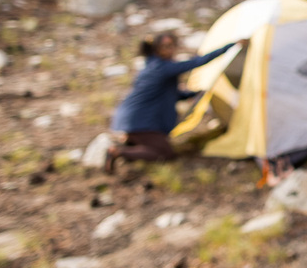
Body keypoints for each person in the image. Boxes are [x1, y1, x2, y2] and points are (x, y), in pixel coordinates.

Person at [104, 32, 245, 174]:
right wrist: (230, 46)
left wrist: (194, 93)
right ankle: (118, 152)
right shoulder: (163, 67)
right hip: (140, 121)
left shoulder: (151, 67)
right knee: (165, 153)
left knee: (155, 145)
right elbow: (197, 62)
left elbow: (170, 94)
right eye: (165, 46)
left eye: (172, 45)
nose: (170, 49)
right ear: (156, 49)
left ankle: (131, 144)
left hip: (132, 118)